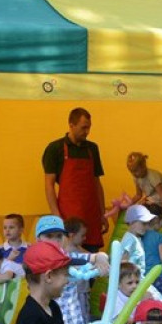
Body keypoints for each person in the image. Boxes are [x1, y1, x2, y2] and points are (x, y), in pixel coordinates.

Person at [43, 107, 108, 252]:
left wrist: (102, 214)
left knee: (92, 259)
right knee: (69, 256)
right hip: (68, 216)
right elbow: (49, 185)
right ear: (71, 125)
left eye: (89, 128)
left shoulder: (92, 149)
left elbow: (96, 183)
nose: (87, 132)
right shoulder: (55, 148)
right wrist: (56, 216)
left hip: (91, 214)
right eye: (83, 128)